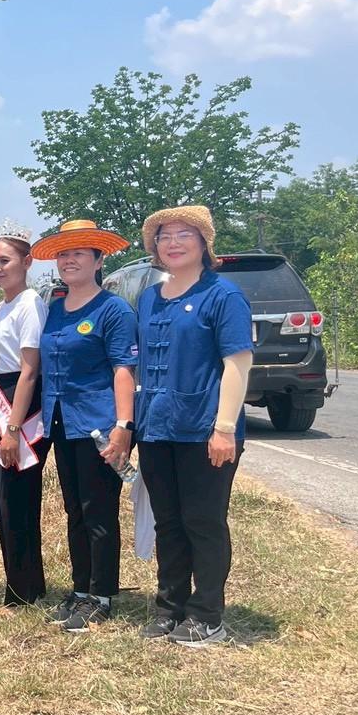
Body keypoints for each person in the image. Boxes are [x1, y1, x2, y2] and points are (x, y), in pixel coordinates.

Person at [134, 205, 253, 648]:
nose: (173, 242)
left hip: (204, 429)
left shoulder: (223, 295)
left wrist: (224, 428)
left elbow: (237, 363)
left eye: (185, 234)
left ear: (204, 243)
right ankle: (170, 606)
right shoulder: (149, 297)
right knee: (168, 522)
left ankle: (207, 615)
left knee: (203, 521)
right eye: (164, 235)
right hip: (156, 429)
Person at [30, 222, 138, 632]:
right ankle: (80, 589)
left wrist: (123, 425)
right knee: (74, 509)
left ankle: (102, 594)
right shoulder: (54, 310)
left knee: (99, 511)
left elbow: (123, 369)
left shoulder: (113, 310)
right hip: (62, 423)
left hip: (99, 425)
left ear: (98, 260)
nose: (69, 260)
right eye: (63, 253)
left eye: (79, 252)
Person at [0, 221, 50, 607]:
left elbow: (29, 370)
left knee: (19, 500)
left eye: (4, 260)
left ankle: (26, 590)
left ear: (27, 262)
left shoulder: (29, 304)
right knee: (4, 501)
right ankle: (18, 584)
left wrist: (12, 428)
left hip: (19, 406)